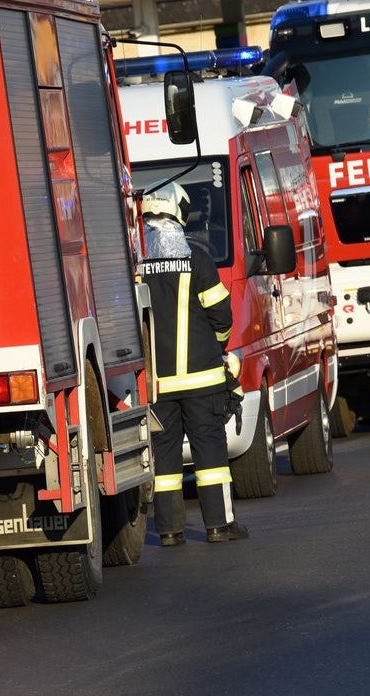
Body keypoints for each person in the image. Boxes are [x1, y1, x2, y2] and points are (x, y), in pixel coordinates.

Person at [138, 181, 249, 546]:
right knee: (210, 453)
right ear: (180, 215)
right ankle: (219, 525)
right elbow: (222, 317)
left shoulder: (136, 268)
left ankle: (169, 531)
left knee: (166, 460)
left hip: (158, 385)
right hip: (202, 380)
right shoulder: (197, 259)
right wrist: (218, 350)